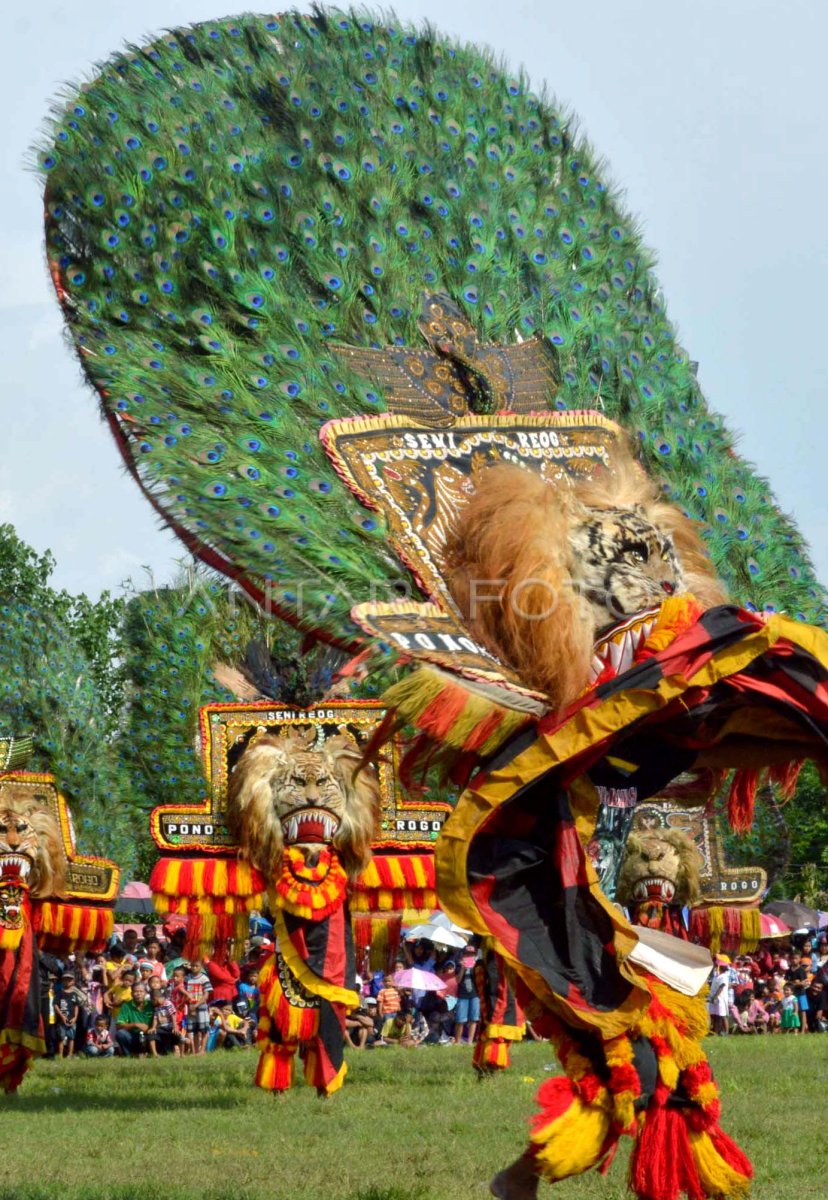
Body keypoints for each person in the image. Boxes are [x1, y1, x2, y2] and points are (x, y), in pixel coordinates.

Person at [115, 982, 154, 1056]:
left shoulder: (151, 1005)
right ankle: (129, 1055)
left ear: (145, 993)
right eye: (136, 991)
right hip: (133, 1036)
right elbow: (118, 1026)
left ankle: (155, 1053)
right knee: (121, 1034)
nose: (138, 994)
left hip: (149, 1035)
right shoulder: (126, 1006)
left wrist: (150, 1029)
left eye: (141, 991)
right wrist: (135, 1025)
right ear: (132, 993)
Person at [184, 957, 213, 1054]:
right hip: (190, 1008)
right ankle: (196, 1050)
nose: (194, 968)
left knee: (204, 1029)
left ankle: (202, 1050)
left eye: (197, 966)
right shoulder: (187, 978)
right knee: (195, 1030)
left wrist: (196, 1005)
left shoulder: (204, 978)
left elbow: (206, 995)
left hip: (201, 1007)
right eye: (192, 966)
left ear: (201, 967)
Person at [454, 951, 480, 1045]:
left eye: (471, 955)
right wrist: (462, 968)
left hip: (475, 995)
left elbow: (479, 980)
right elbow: (457, 980)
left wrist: (474, 968)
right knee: (460, 1019)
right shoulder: (458, 966)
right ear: (463, 956)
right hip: (462, 995)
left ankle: (470, 1041)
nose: (469, 956)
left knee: (473, 1019)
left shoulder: (477, 966)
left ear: (475, 956)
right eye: (467, 954)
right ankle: (457, 1041)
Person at [148, 988, 184, 1056]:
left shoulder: (168, 1003)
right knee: (151, 1035)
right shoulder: (157, 1007)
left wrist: (175, 1027)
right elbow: (155, 1018)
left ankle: (182, 1054)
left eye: (153, 1000)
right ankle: (155, 1054)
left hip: (169, 1027)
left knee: (178, 1036)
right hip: (161, 1028)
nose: (152, 1002)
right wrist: (153, 1027)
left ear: (156, 998)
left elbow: (173, 1015)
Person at [54, 971, 80, 1058]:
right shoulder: (59, 993)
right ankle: (60, 1055)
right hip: (62, 1020)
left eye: (69, 980)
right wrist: (61, 1016)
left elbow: (76, 1006)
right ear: (62, 981)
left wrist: (75, 1017)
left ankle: (70, 1054)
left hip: (72, 1019)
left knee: (71, 1037)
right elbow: (55, 1005)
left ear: (73, 981)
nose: (67, 982)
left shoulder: (74, 994)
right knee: (61, 1038)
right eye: (65, 980)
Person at [706, 959, 730, 1036]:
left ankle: (726, 1032)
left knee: (722, 1016)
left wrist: (715, 996)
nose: (716, 967)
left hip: (720, 999)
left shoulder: (724, 977)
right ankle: (715, 1032)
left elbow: (721, 986)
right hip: (714, 998)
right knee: (714, 1015)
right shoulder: (717, 976)